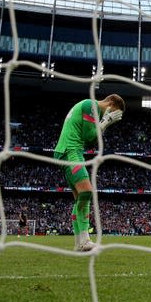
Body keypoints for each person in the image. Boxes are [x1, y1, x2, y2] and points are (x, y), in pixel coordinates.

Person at [54, 94, 125, 251]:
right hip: (70, 150)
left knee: (80, 197)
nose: (113, 115)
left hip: (70, 151)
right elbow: (89, 136)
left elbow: (91, 141)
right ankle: (85, 240)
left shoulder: (94, 111)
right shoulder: (90, 105)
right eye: (114, 111)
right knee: (87, 192)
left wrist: (104, 122)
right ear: (111, 103)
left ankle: (79, 243)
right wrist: (106, 121)